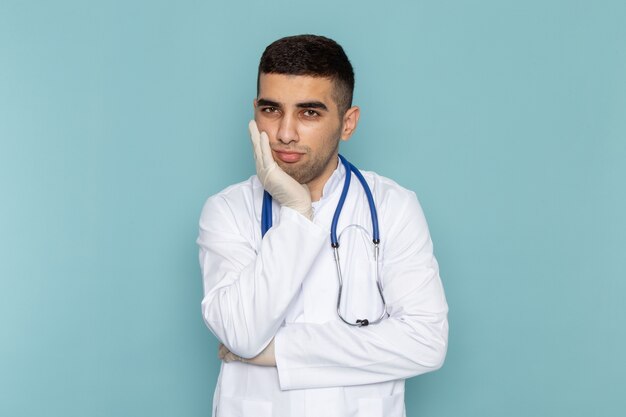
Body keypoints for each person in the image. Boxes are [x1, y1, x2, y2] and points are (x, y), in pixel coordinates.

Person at [197, 34, 448, 417]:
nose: (284, 133)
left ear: (347, 123)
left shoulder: (392, 207)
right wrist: (296, 212)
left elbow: (426, 342)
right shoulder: (227, 210)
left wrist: (278, 352)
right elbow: (242, 334)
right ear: (255, 111)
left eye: (309, 113)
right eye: (271, 109)